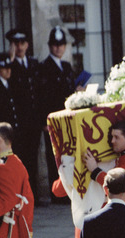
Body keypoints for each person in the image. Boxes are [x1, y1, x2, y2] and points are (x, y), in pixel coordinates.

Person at [38, 26, 77, 203]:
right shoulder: (44, 67)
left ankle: (69, 189)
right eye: (55, 45)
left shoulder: (67, 66)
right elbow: (42, 97)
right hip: (54, 120)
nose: (58, 48)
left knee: (69, 154)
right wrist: (44, 121)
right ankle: (58, 194)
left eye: (61, 45)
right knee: (56, 156)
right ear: (50, 46)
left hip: (68, 119)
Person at [6, 28, 41, 203]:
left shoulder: (33, 64)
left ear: (27, 45)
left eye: (22, 43)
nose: (19, 47)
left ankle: (33, 194)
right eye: (16, 44)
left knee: (33, 159)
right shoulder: (9, 66)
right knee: (22, 159)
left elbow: (40, 92)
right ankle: (22, 196)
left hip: (33, 121)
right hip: (19, 121)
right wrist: (10, 60)